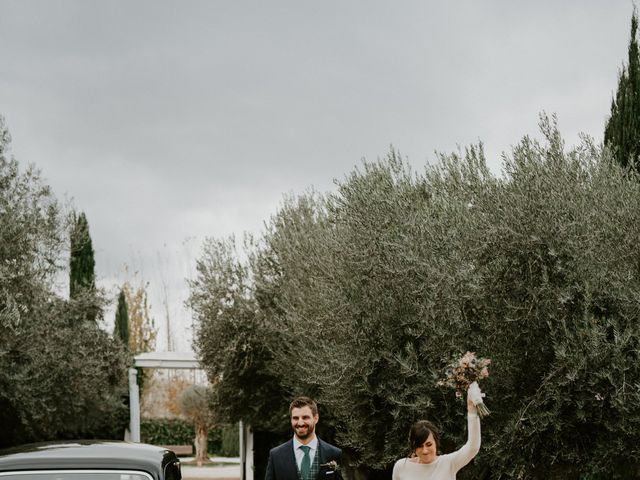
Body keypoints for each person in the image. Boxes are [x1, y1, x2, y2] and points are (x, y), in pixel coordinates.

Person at [392, 383, 483, 480]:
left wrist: (472, 411)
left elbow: (473, 447)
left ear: (436, 442)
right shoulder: (401, 467)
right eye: (419, 446)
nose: (425, 451)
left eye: (429, 444)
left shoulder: (448, 463)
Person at [265, 396, 343, 480]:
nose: (300, 423)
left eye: (305, 417)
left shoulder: (334, 453)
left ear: (316, 418)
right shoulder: (276, 456)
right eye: (295, 418)